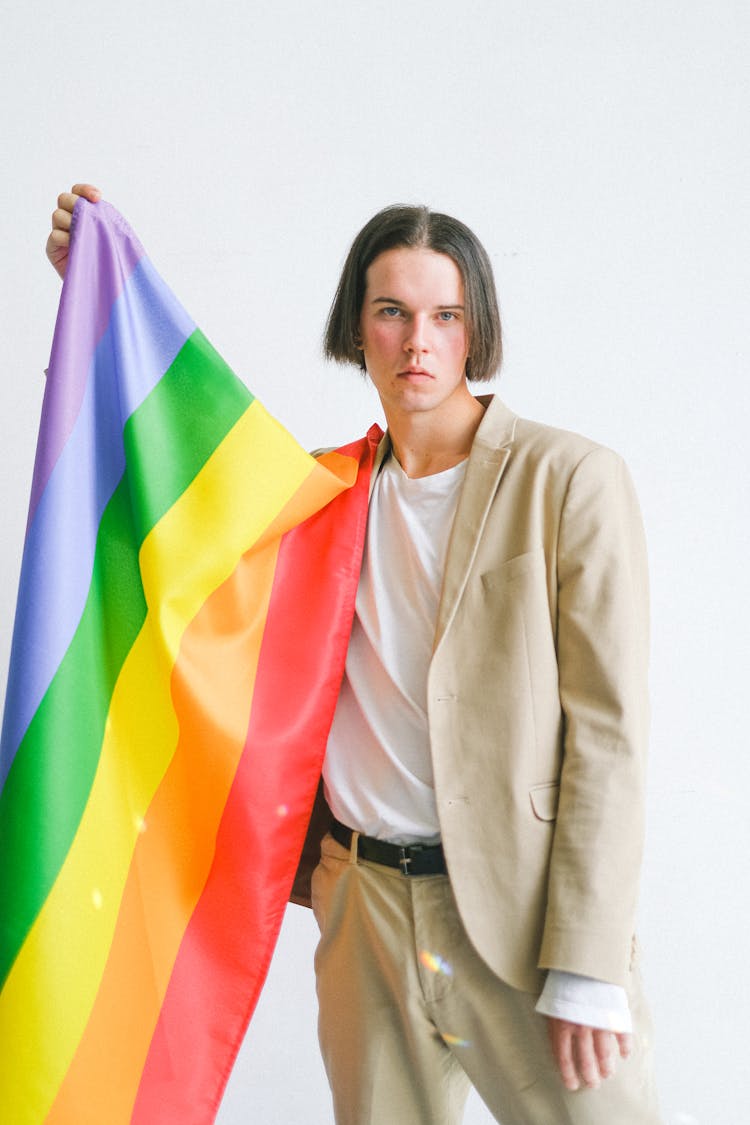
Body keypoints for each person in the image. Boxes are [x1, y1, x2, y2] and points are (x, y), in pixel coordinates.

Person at [48, 186, 662, 1124]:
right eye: (392, 312)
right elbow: (173, 502)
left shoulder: (568, 479)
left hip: (521, 915)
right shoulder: (322, 497)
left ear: (474, 331)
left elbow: (611, 738)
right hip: (363, 907)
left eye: (444, 315)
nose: (418, 340)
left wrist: (586, 958)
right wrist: (98, 299)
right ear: (358, 328)